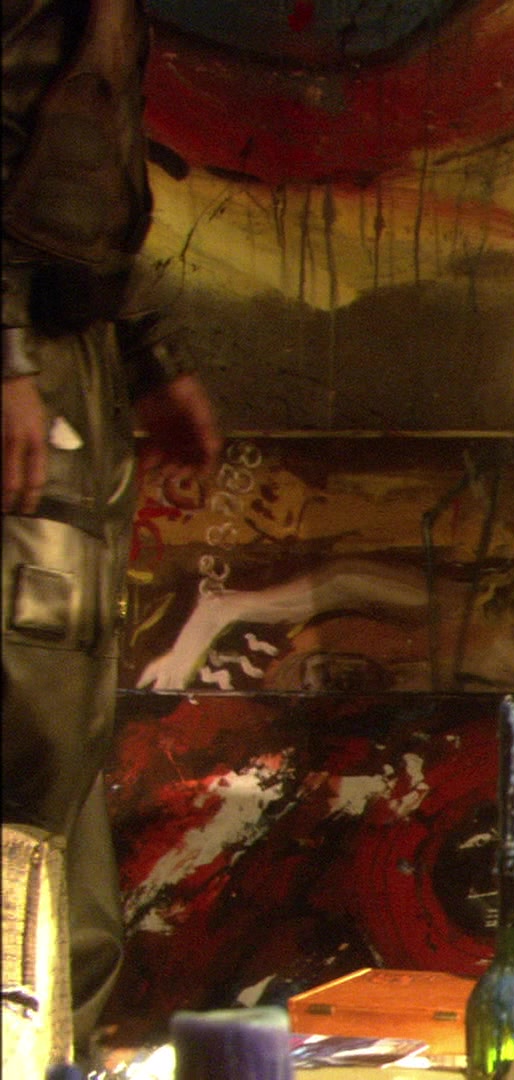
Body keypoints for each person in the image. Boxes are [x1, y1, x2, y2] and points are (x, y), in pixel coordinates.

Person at [3, 0, 221, 1060]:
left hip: (72, 356)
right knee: (29, 734)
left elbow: (81, 182)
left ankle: (54, 1042)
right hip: (29, 366)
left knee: (68, 737)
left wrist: (149, 353)